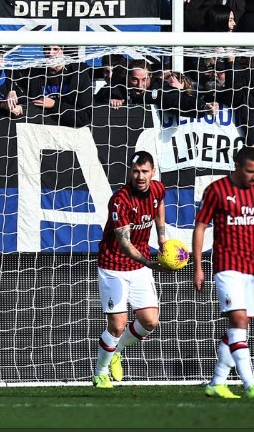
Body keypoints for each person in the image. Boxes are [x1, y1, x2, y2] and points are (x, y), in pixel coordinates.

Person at [193, 146, 254, 399]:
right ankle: (250, 383)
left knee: (240, 327)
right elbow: (200, 227)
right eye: (250, 171)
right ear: (236, 166)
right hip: (226, 266)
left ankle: (216, 382)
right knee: (239, 320)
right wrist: (198, 266)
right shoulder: (216, 190)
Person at [92, 151, 167, 389]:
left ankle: (116, 351)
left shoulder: (158, 189)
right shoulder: (120, 200)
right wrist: (148, 262)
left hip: (139, 267)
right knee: (117, 325)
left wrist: (162, 238)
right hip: (113, 266)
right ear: (130, 172)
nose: (140, 176)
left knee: (150, 321)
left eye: (144, 171)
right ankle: (100, 373)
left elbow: (160, 204)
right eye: (135, 171)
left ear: (153, 172)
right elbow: (124, 243)